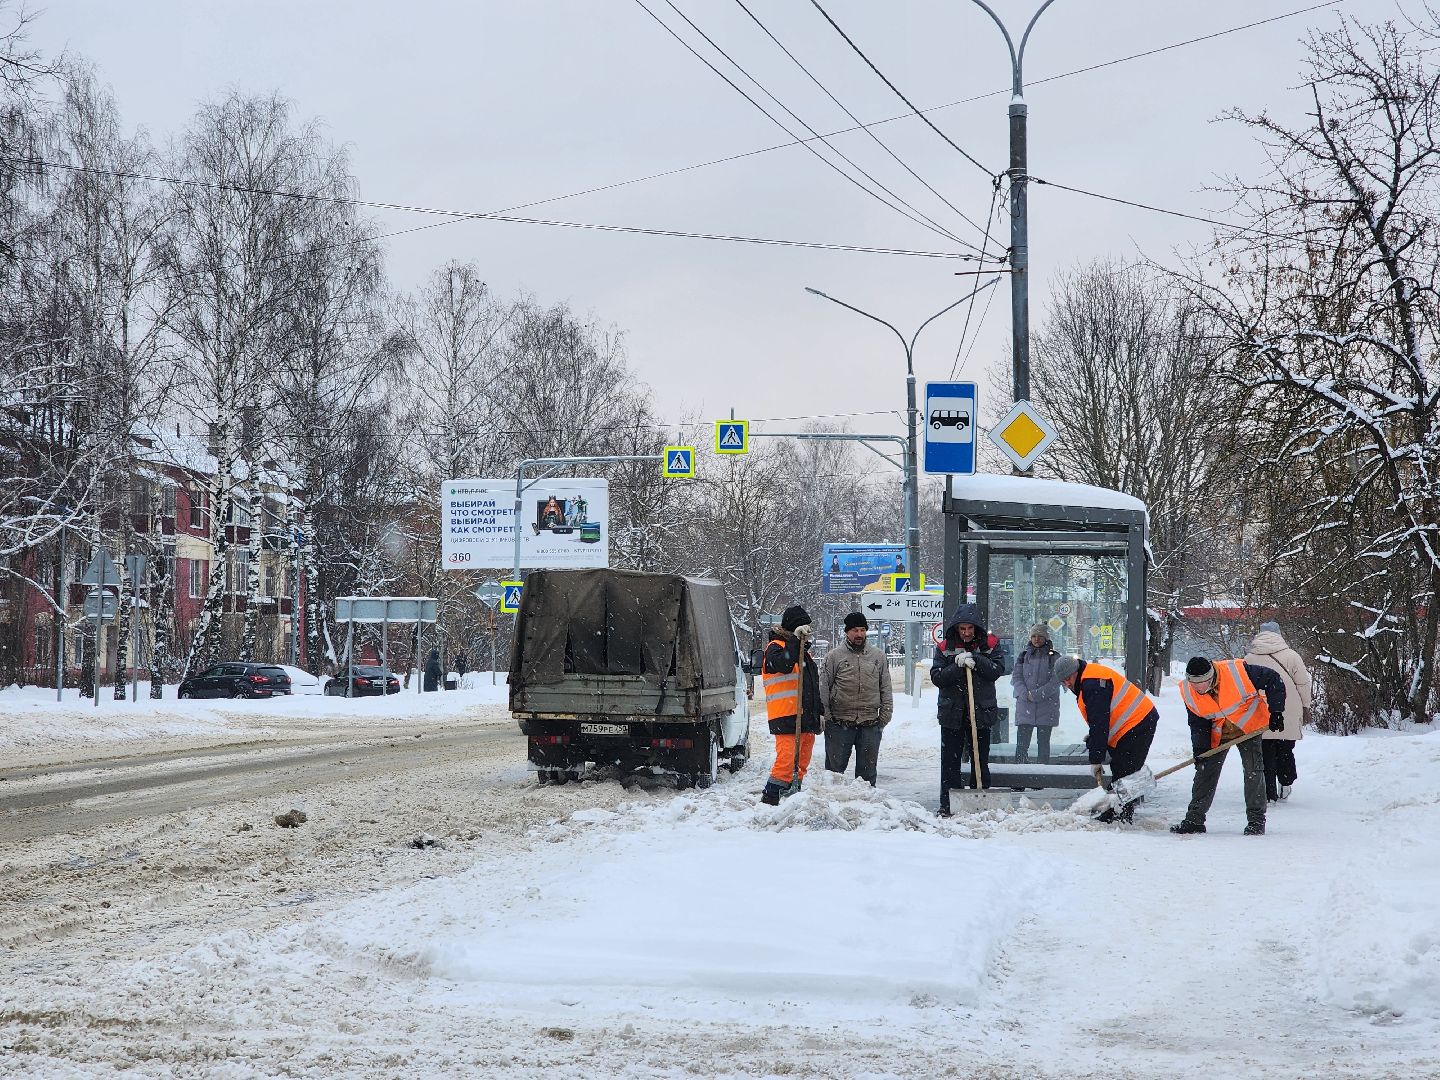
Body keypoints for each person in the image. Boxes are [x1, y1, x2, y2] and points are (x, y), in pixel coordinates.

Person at [1171, 655, 1287, 836]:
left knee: (1253, 772)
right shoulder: (1188, 691)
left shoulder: (1238, 672)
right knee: (1205, 772)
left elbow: (1273, 679)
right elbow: (1198, 723)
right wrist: (1200, 750)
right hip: (1219, 732)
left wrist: (1276, 711)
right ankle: (1194, 820)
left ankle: (1256, 821)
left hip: (1248, 727)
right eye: (1194, 683)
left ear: (1211, 676)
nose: (1197, 688)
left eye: (1201, 683)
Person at [1053, 655, 1159, 823]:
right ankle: (1116, 812)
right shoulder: (1087, 678)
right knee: (1121, 769)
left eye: (1068, 678)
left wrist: (1096, 759)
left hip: (1138, 722)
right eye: (1063, 681)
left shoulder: (1092, 683)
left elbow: (1100, 723)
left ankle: (1119, 814)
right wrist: (1094, 739)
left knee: (1125, 771)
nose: (1067, 683)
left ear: (1076, 671)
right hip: (1132, 724)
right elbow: (1100, 720)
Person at [930, 603, 1006, 815]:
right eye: (962, 629)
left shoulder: (990, 645)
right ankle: (949, 805)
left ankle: (979, 801)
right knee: (950, 762)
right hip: (952, 714)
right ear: (956, 628)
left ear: (976, 628)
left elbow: (997, 670)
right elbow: (937, 677)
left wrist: (977, 659)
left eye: (970, 628)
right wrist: (957, 665)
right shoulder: (945, 647)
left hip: (980, 713)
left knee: (980, 761)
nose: (966, 633)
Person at [759, 605, 823, 806]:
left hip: (805, 718)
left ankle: (793, 799)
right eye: (802, 627)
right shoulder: (775, 648)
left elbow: (812, 687)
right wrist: (795, 640)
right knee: (786, 763)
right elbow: (784, 665)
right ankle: (770, 800)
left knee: (801, 763)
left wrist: (819, 713)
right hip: (786, 717)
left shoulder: (804, 653)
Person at [820, 611, 893, 785]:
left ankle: (866, 802)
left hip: (870, 724)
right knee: (834, 776)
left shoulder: (878, 656)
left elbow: (885, 687)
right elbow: (823, 688)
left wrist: (885, 715)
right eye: (855, 630)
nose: (859, 634)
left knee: (867, 779)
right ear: (847, 632)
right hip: (839, 724)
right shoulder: (834, 657)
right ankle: (834, 801)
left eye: (862, 630)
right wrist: (827, 717)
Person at [1244, 621, 1312, 803]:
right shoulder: (1292, 656)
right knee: (1285, 748)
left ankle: (1269, 791)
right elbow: (1303, 684)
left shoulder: (1249, 658)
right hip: (1288, 708)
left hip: (1261, 710)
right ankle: (1285, 782)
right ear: (1279, 635)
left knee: (1265, 751)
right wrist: (1306, 706)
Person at [1012, 623, 1061, 765]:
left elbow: (1056, 680)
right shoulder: (1023, 656)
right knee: (1021, 745)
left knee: (1043, 745)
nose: (1036, 639)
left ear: (1046, 638)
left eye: (1040, 636)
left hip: (1046, 707)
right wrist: (1024, 693)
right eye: (1033, 636)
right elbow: (1016, 677)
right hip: (1025, 705)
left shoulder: (1054, 657)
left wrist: (1037, 694)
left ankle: (1042, 773)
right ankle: (1019, 773)